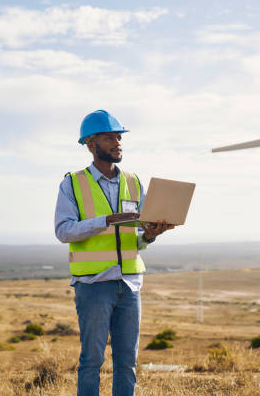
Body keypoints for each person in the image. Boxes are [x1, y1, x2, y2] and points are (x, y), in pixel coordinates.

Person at [54, 110, 173, 396]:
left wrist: (151, 233)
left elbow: (138, 236)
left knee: (127, 364)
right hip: (94, 285)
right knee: (91, 362)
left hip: (130, 284)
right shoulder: (72, 183)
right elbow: (63, 230)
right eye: (110, 137)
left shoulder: (133, 182)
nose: (117, 142)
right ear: (90, 144)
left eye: (119, 137)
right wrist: (107, 220)